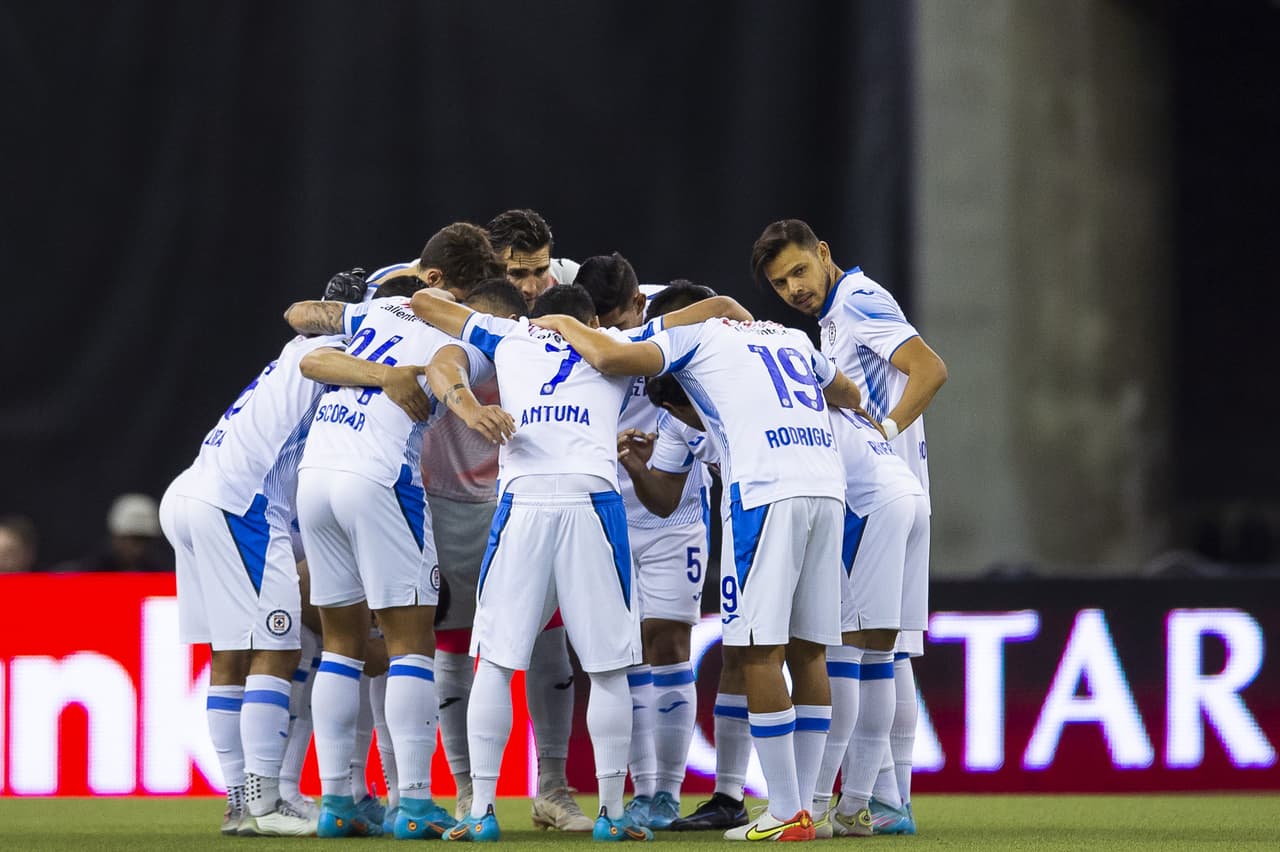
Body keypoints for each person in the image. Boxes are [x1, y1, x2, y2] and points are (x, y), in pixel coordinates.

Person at [526, 307, 865, 843]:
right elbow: (848, 392)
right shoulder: (787, 335)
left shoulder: (694, 337)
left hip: (764, 490)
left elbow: (611, 355)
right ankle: (811, 807)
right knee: (810, 650)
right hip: (826, 486)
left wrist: (563, 322)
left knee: (757, 650)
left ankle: (784, 812)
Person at [294, 264, 517, 840]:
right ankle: (414, 803)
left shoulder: (374, 311)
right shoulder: (468, 334)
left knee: (341, 645)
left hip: (317, 475)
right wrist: (463, 406)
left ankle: (337, 801)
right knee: (411, 644)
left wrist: (384, 372)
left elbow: (308, 350)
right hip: (381, 480)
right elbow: (446, 371)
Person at [752, 218, 947, 832]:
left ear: (824, 254)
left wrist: (882, 436)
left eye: (800, 271)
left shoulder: (858, 299)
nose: (794, 289)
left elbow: (930, 368)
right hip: (906, 494)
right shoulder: (836, 317)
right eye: (781, 284)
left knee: (845, 650)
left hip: (875, 496)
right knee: (890, 656)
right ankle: (889, 802)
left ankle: (842, 804)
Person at [159, 313, 357, 836]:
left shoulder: (290, 355)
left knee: (230, 655)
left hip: (191, 490)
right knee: (280, 646)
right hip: (240, 503)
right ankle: (265, 803)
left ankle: (241, 803)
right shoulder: (335, 355)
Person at [577, 267, 712, 831]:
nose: (610, 339)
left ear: (639, 302)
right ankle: (641, 788)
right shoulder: (579, 330)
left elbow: (722, 317)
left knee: (670, 642)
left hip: (674, 510)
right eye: (599, 328)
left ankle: (668, 794)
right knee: (623, 651)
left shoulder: (678, 316)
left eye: (617, 325)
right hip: (609, 509)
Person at [54, 494, 171, 572]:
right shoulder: (90, 571)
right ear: (116, 537)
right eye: (132, 539)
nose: (138, 548)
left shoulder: (161, 573)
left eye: (144, 540)